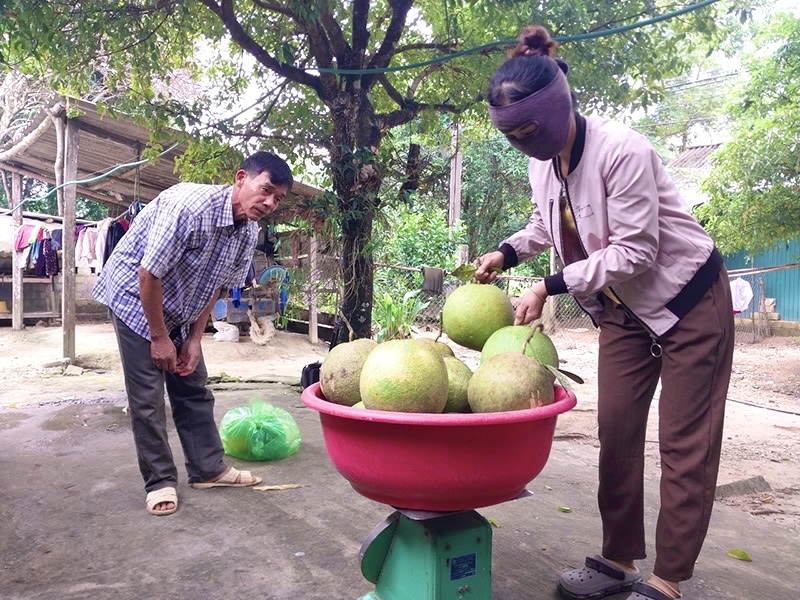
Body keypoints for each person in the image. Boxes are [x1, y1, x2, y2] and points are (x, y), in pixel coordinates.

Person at [474, 25, 734, 600]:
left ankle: (667, 579)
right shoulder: (542, 161)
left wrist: (549, 285)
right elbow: (550, 223)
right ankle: (618, 559)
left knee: (683, 442)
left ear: (559, 109)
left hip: (690, 303)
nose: (521, 143)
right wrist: (508, 250)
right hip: (624, 314)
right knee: (615, 433)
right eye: (511, 136)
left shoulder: (624, 150)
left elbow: (636, 251)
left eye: (527, 130)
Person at [92, 151, 293, 516]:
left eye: (277, 198)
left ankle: (208, 469)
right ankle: (159, 481)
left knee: (192, 383)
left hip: (183, 305)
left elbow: (216, 286)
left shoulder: (248, 232)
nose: (269, 202)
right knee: (148, 396)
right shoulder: (190, 207)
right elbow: (148, 274)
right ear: (240, 178)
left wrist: (195, 339)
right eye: (265, 190)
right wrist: (159, 337)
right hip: (134, 297)